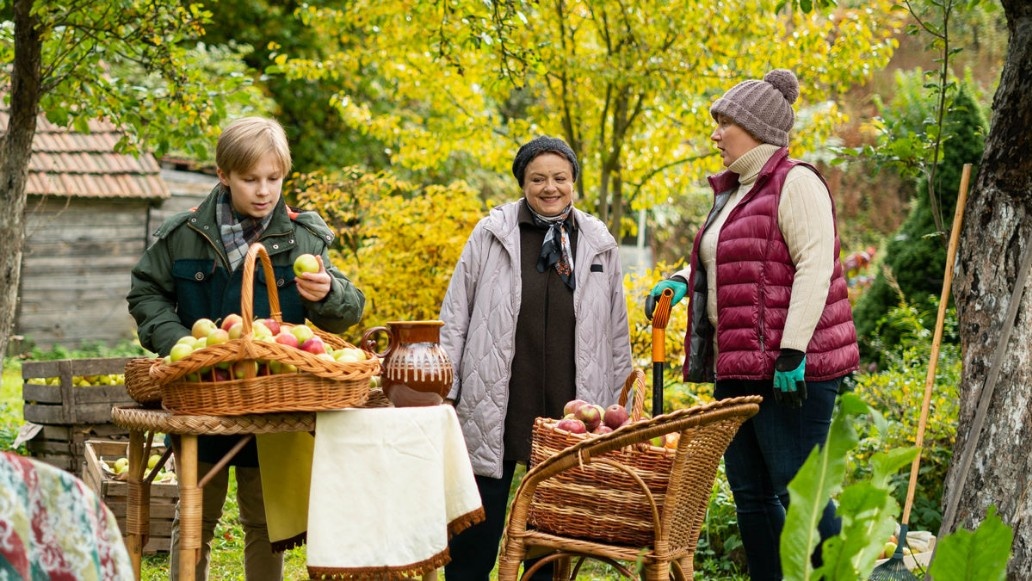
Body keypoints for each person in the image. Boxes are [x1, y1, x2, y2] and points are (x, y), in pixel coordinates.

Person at [127, 116, 365, 580]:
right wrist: (183, 346)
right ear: (223, 175)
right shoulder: (184, 234)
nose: (264, 191)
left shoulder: (303, 238)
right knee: (195, 515)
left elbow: (348, 311)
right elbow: (146, 292)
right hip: (203, 393)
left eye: (273, 179)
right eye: (250, 179)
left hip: (271, 398)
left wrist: (327, 293)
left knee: (264, 519)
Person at [646, 69, 859, 580]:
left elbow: (814, 267)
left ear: (756, 127)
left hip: (790, 371)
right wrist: (682, 279)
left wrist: (793, 351)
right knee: (751, 494)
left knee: (798, 491)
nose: (715, 134)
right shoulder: (736, 192)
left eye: (724, 123)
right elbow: (728, 258)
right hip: (739, 365)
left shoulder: (796, 182)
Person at [439, 135, 633, 580]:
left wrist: (619, 405)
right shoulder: (492, 234)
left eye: (560, 178)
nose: (550, 188)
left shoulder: (597, 241)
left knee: (549, 527)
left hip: (570, 402)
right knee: (477, 521)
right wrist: (448, 389)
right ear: (522, 183)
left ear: (573, 182)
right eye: (538, 179)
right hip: (498, 394)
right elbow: (456, 315)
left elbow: (616, 329)